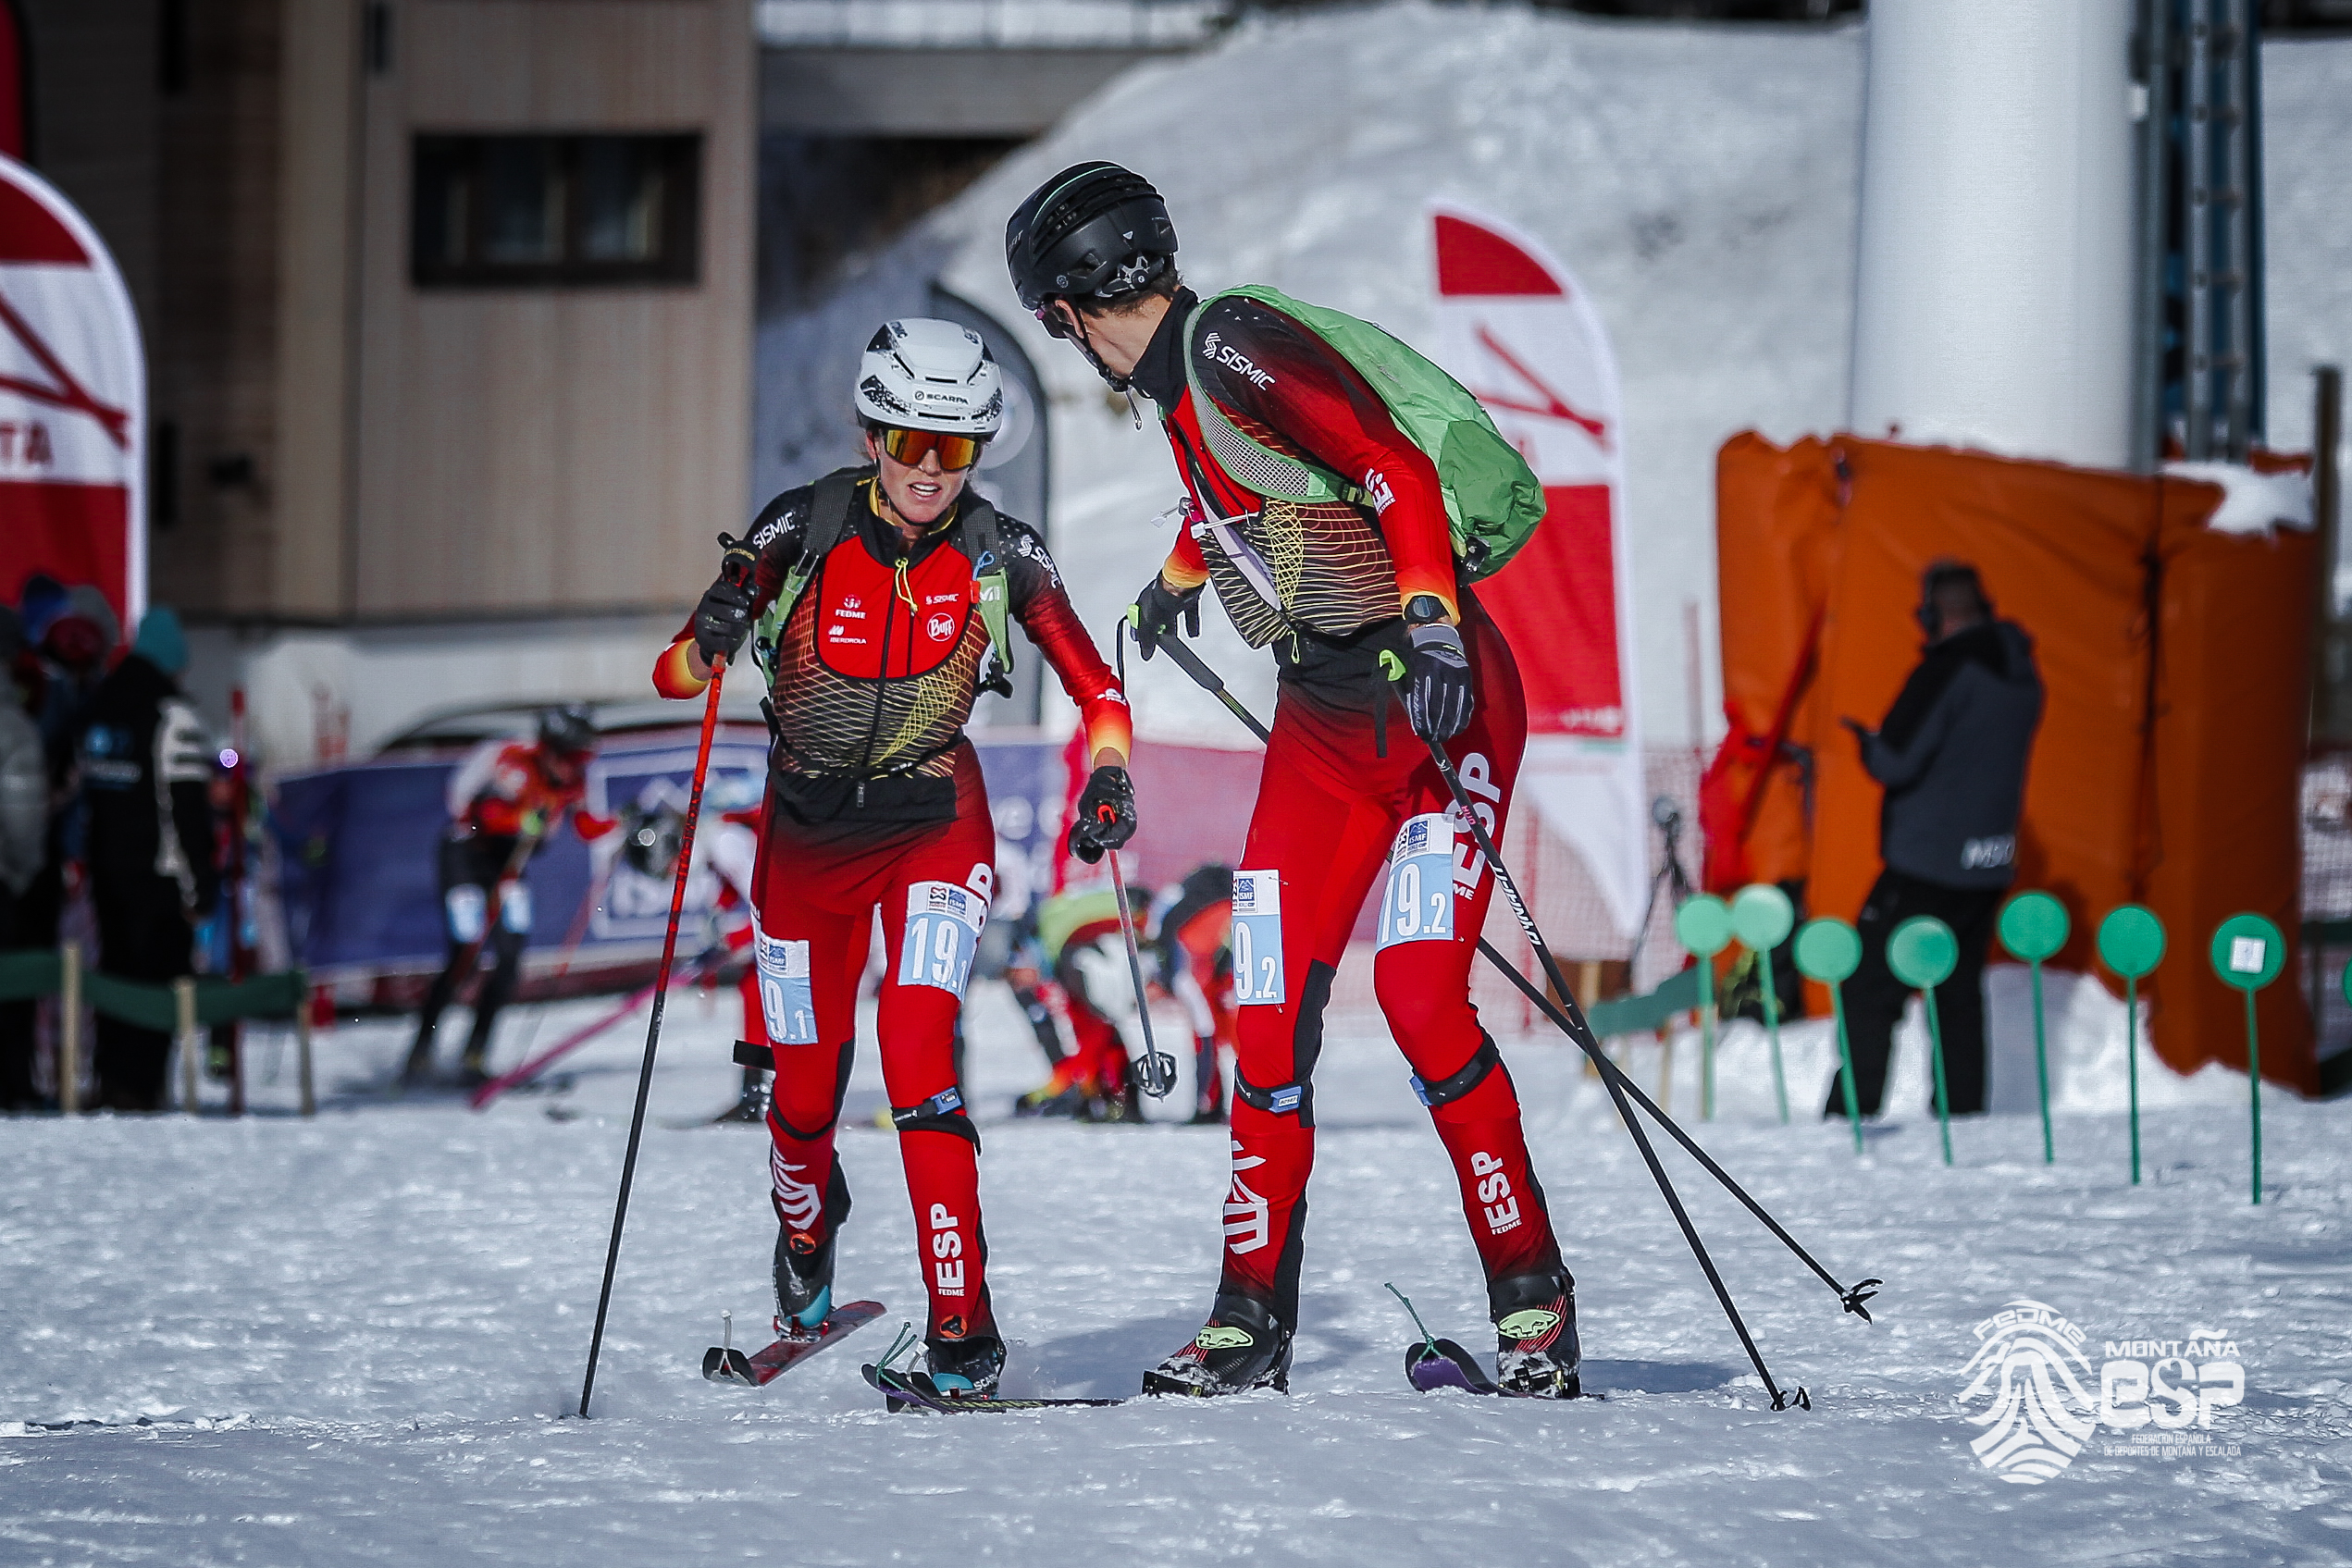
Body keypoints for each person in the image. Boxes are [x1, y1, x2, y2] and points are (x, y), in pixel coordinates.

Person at [1007, 163, 1579, 1398]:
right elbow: (1253, 485)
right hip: (1322, 728)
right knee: (1264, 1014)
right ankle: (1245, 1314)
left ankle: (1532, 1302)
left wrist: (1429, 618)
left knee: (1420, 994)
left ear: (1065, 306)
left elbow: (1384, 464)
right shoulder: (1182, 389)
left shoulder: (1227, 342)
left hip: (1440, 703)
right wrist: (1175, 576)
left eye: (1055, 320)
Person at [653, 317, 1133, 1399]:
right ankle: (808, 1237)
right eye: (910, 441)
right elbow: (675, 680)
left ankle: (964, 1331)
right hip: (805, 840)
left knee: (920, 1050)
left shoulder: (1002, 551)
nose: (928, 469)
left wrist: (1109, 775)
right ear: (873, 434)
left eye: (954, 450)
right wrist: (714, 630)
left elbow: (1100, 690)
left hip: (932, 823)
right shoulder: (801, 524)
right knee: (802, 1098)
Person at [1834, 561, 2043, 1119]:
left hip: (1927, 865)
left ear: (1937, 613)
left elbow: (1898, 760)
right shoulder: (2022, 672)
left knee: (1870, 991)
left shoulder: (1950, 669)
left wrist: (1868, 744)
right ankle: (1963, 1116)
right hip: (1988, 865)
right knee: (1957, 996)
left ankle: (1850, 1119)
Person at [404, 706, 613, 1087]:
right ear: (550, 749)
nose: (574, 768)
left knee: (509, 958)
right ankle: (420, 1050)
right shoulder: (510, 758)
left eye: (581, 759)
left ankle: (475, 1053)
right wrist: (513, 819)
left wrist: (625, 823)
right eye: (570, 758)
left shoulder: (574, 780)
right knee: (466, 951)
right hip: (467, 858)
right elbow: (464, 807)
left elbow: (586, 826)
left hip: (510, 864)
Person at [76, 607, 217, 1111]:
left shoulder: (101, 709)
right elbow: (188, 811)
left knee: (113, 980)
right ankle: (140, 1086)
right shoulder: (172, 717)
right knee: (157, 987)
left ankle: (111, 1079)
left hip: (106, 875)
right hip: (160, 878)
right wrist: (202, 885)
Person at [0, 608, 46, 1109]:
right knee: (10, 992)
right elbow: (21, 819)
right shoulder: (13, 726)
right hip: (2, 885)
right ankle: (13, 1086)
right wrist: (20, 872)